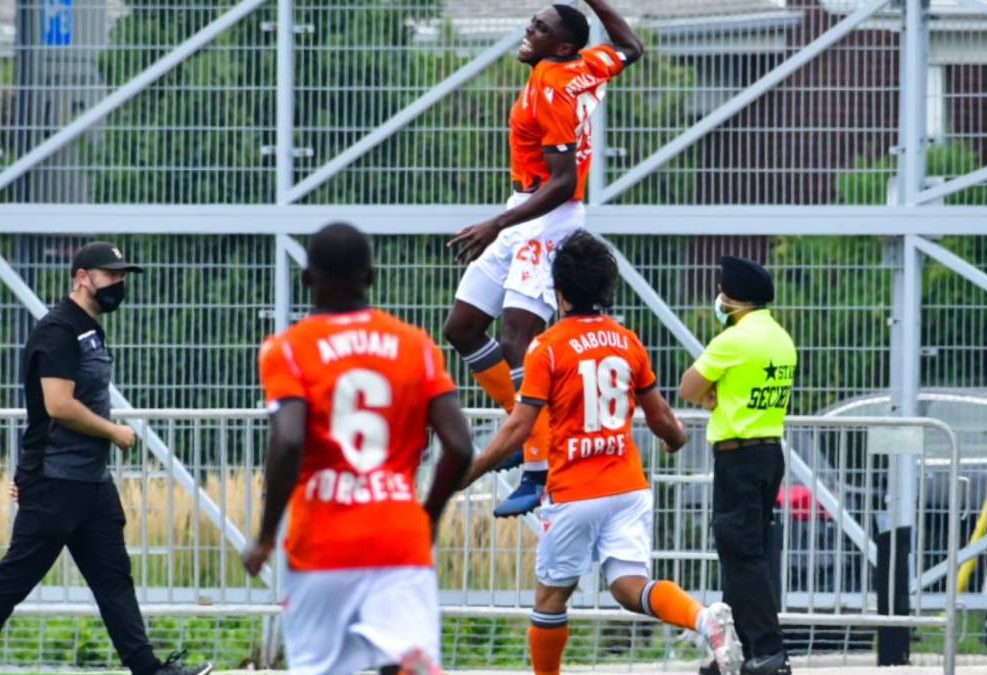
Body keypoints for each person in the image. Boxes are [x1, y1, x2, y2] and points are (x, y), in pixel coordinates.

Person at [466, 232, 744, 675]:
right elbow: (660, 418)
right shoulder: (626, 341)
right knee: (629, 585)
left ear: (559, 292)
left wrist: (469, 471)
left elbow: (519, 426)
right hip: (628, 487)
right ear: (606, 290)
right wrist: (676, 440)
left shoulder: (547, 347)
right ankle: (703, 618)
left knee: (551, 597)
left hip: (575, 491)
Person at [0, 242, 210, 675]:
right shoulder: (58, 330)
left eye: (122, 276)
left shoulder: (89, 328)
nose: (119, 283)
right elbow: (58, 405)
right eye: (110, 275)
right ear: (82, 277)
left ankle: (147, 668)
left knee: (113, 578)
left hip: (90, 482)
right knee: (17, 575)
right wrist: (114, 431)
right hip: (55, 481)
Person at [242, 223, 474, 675]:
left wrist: (267, 535)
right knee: (404, 658)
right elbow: (460, 446)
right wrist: (427, 515)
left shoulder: (287, 350)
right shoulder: (416, 346)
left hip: (320, 544)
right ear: (370, 276)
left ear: (309, 278)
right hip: (398, 538)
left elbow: (288, 439)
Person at [443, 0, 644, 517]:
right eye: (532, 21)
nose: (528, 30)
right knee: (462, 327)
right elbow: (630, 47)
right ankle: (525, 425)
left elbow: (561, 183)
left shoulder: (553, 86)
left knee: (517, 339)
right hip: (522, 210)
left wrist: (497, 225)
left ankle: (536, 468)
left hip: (545, 218)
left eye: (541, 27)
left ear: (562, 46)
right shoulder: (583, 65)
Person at [679, 257, 797, 675]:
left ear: (734, 300)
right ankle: (734, 651)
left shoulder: (733, 340)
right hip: (769, 454)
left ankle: (768, 651)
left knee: (742, 555)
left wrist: (712, 397)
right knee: (741, 554)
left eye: (723, 293)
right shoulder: (781, 338)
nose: (720, 299)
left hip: (738, 456)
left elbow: (689, 388)